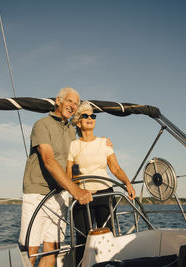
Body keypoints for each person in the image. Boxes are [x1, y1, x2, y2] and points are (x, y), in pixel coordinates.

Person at [18, 87, 93, 267]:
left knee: (52, 248)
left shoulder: (70, 131)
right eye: (69, 101)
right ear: (58, 101)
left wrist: (103, 141)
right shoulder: (42, 124)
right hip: (37, 193)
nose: (73, 106)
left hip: (59, 195)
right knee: (31, 251)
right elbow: (49, 161)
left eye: (76, 103)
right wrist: (76, 191)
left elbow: (77, 156)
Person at [66, 101, 136, 264]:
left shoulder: (104, 143)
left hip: (105, 194)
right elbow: (69, 172)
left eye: (93, 115)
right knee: (82, 238)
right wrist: (75, 190)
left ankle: (109, 264)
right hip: (83, 196)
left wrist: (127, 183)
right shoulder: (73, 145)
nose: (90, 118)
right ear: (78, 121)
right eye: (85, 116)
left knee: (107, 236)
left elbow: (115, 168)